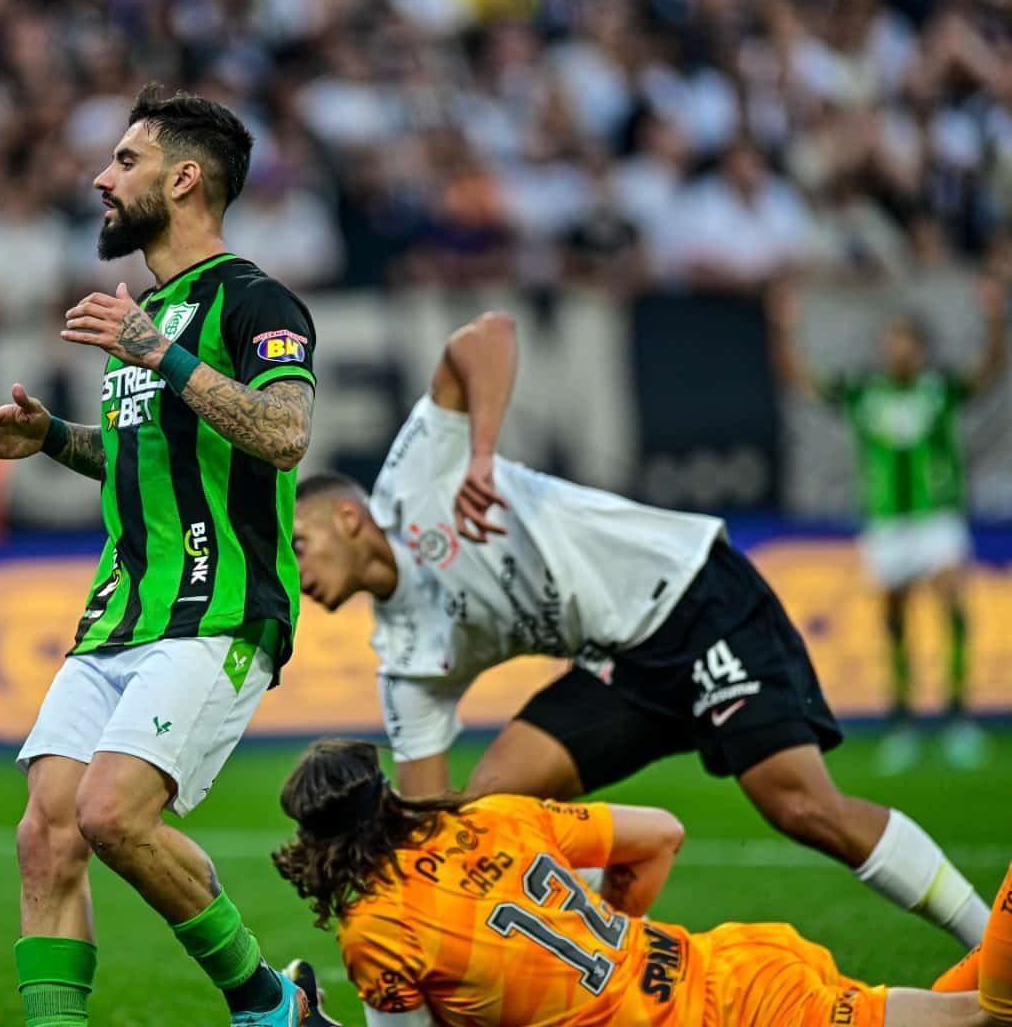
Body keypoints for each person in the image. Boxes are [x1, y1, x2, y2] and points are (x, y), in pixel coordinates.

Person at [288, 311, 988, 948]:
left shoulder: (417, 476)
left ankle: (990, 944)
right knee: (486, 812)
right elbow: (431, 828)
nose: (298, 573)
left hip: (693, 595)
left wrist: (480, 454)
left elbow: (489, 334)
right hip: (620, 661)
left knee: (802, 806)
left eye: (298, 545)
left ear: (349, 520)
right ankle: (602, 961)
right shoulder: (405, 658)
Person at [0, 85, 318, 1027]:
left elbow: (285, 433)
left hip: (217, 611)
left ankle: (267, 1004)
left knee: (111, 814)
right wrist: (51, 437)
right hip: (121, 610)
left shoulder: (256, 302)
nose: (101, 177)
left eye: (124, 162)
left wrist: (156, 352)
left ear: (185, 177)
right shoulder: (149, 314)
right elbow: (143, 453)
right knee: (46, 834)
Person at [273, 738, 1012, 1026]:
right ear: (391, 796)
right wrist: (599, 924)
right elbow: (661, 833)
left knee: (983, 1018)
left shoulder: (376, 928)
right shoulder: (496, 815)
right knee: (969, 1012)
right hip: (732, 968)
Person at [770, 296, 1007, 774]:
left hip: (935, 516)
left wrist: (996, 320)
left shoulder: (940, 389)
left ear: (919, 348)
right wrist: (782, 328)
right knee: (894, 619)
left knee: (951, 605)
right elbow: (799, 379)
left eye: (903, 342)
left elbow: (988, 373)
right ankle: (903, 721)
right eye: (890, 342)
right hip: (886, 523)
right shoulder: (865, 392)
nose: (895, 350)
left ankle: (959, 718)